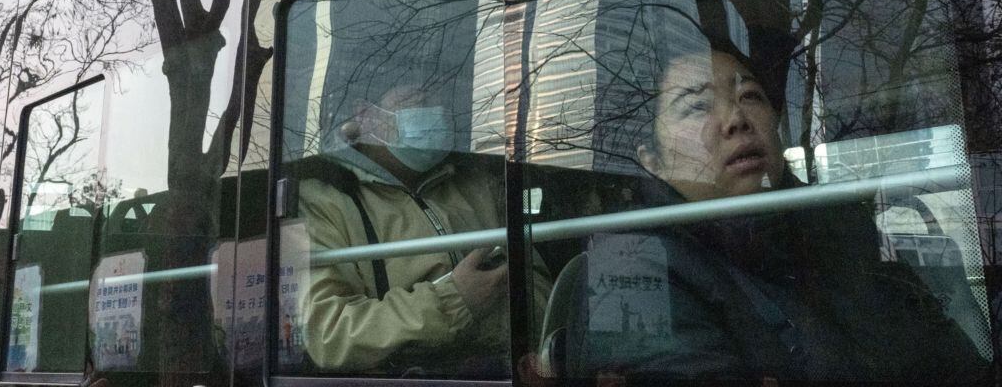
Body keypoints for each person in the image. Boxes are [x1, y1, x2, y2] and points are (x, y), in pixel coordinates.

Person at [565, 48, 990, 384]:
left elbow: (954, 360)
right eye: (697, 106)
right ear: (652, 160)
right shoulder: (629, 270)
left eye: (750, 96)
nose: (736, 119)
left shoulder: (839, 226)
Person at [295, 84, 549, 376]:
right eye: (415, 101)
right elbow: (328, 335)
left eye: (440, 98)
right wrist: (455, 301)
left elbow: (538, 284)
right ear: (365, 116)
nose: (435, 111)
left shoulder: (479, 184)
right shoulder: (325, 201)